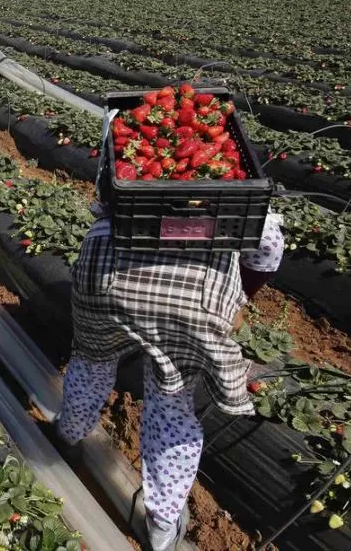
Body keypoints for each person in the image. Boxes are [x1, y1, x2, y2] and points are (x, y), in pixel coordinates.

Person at [57, 202, 284, 551]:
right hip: (192, 295)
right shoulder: (234, 172)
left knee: (92, 362)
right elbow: (269, 244)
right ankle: (162, 526)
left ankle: (68, 438)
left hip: (103, 270)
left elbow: (103, 205)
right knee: (169, 403)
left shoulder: (121, 147)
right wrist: (240, 297)